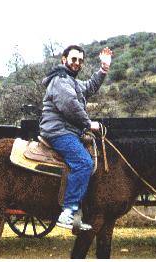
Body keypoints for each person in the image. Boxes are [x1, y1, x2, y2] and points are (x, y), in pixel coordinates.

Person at [39, 45, 112, 230]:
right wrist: (89, 123)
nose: (77, 63)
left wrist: (103, 69)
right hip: (59, 131)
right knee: (84, 163)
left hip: (68, 131)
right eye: (73, 59)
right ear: (64, 59)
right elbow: (70, 104)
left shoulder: (72, 81)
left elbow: (89, 86)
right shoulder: (60, 79)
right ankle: (68, 212)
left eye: (80, 60)